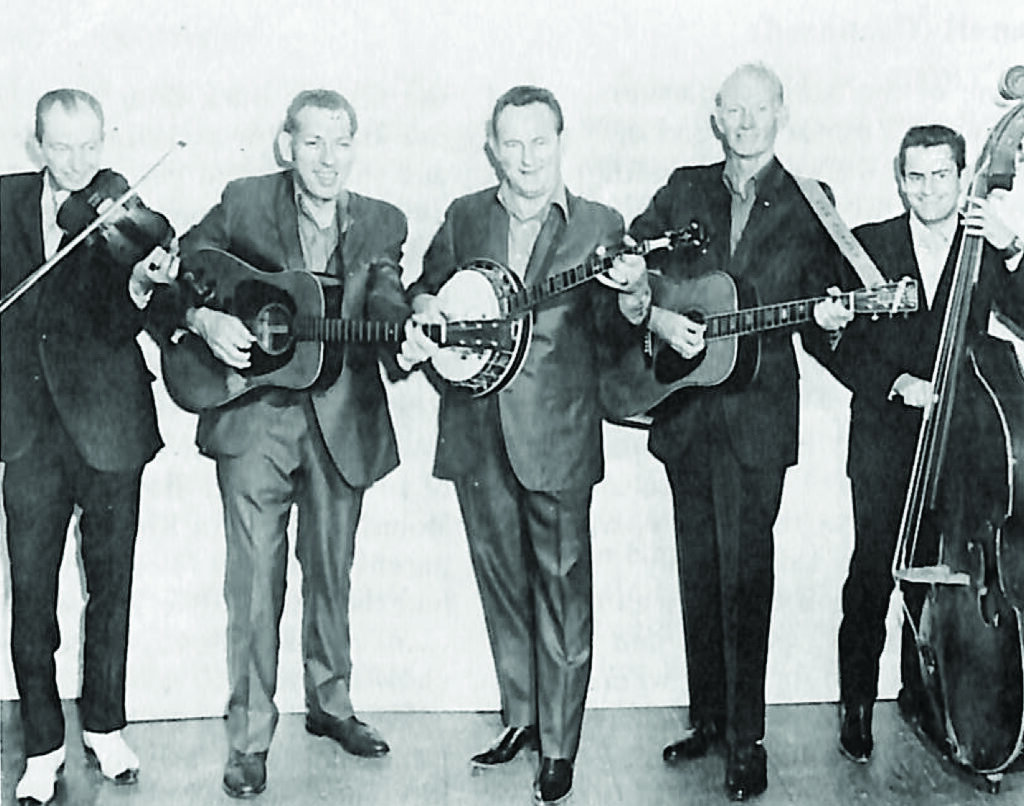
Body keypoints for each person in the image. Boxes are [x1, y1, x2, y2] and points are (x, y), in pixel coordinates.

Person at [398, 85, 650, 805]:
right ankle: (522, 716)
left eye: (540, 141)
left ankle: (560, 746)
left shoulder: (601, 224)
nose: (528, 157)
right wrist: (428, 313)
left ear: (561, 142)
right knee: (504, 586)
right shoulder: (464, 215)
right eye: (512, 143)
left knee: (564, 595)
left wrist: (634, 293)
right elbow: (425, 288)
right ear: (492, 148)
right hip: (476, 432)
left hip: (558, 436)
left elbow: (617, 332)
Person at [164, 89, 410, 798]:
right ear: (286, 146)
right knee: (253, 580)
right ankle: (248, 739)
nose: (328, 159)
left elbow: (387, 292)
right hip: (255, 414)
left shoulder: (383, 219)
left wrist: (407, 329)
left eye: (342, 143)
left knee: (332, 570)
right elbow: (179, 267)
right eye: (313, 143)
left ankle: (331, 705)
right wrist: (205, 320)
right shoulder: (243, 202)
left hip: (342, 417)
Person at [625, 63, 853, 801]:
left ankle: (747, 739)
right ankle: (709, 720)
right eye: (735, 109)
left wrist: (831, 320)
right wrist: (659, 317)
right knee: (698, 572)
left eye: (760, 108)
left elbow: (828, 315)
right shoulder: (683, 188)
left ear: (782, 113)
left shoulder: (813, 201)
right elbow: (631, 267)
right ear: (715, 118)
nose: (747, 122)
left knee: (747, 577)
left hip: (758, 418)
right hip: (686, 412)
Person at [1, 89, 179, 805]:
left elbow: (139, 312)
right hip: (28, 429)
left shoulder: (126, 214)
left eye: (89, 146)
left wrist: (141, 285)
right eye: (60, 147)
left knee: (111, 590)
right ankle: (42, 747)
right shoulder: (3, 201)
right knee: (31, 597)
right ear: (37, 144)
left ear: (104, 141)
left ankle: (105, 726)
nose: (77, 164)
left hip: (109, 425)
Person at [828, 124, 1024, 763]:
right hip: (885, 439)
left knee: (945, 575)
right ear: (899, 178)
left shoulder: (986, 244)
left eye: (942, 175)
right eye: (916, 176)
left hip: (965, 443)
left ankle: (927, 698)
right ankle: (857, 704)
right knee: (873, 571)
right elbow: (834, 342)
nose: (929, 189)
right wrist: (895, 382)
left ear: (965, 176)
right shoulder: (869, 246)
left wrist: (1015, 249)